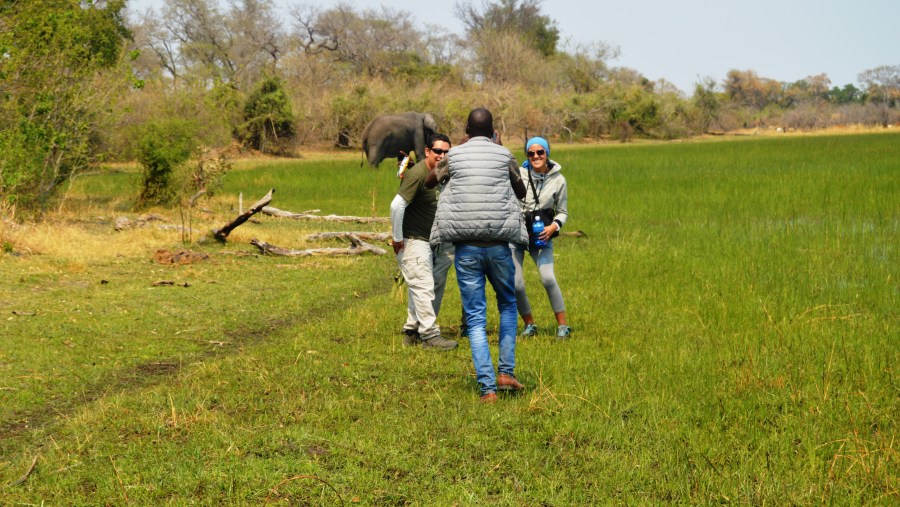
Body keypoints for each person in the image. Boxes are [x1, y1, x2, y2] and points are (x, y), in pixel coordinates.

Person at [427, 108, 529, 403]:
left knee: (475, 317)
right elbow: (520, 192)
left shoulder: (454, 156)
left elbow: (430, 182)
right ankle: (506, 372)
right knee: (508, 306)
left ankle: (487, 389)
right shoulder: (504, 155)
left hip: (466, 248)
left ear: (467, 129)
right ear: (494, 130)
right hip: (498, 246)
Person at [390, 133, 459, 350]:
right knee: (423, 286)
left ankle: (412, 331)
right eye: (438, 151)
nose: (442, 155)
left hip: (432, 239)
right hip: (413, 240)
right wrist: (397, 238)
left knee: (420, 287)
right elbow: (396, 206)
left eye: (447, 151)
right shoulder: (418, 174)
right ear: (428, 151)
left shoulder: (444, 173)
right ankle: (430, 335)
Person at [512, 136, 572, 339]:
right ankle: (530, 325)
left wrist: (553, 227)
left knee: (548, 278)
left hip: (541, 237)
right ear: (527, 155)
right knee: (516, 282)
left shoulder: (558, 180)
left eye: (540, 152)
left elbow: (563, 212)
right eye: (531, 153)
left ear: (547, 153)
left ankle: (563, 326)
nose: (536, 156)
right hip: (518, 235)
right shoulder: (518, 175)